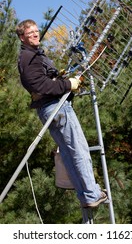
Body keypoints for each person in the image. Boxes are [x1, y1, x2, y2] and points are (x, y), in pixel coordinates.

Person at [16, 19, 107, 208]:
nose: (35, 34)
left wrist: (60, 79)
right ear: (21, 37)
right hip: (55, 107)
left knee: (69, 153)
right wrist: (67, 84)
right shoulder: (28, 57)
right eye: (29, 32)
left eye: (36, 30)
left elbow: (42, 81)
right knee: (79, 151)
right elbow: (38, 85)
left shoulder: (33, 55)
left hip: (49, 109)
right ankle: (91, 194)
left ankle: (86, 195)